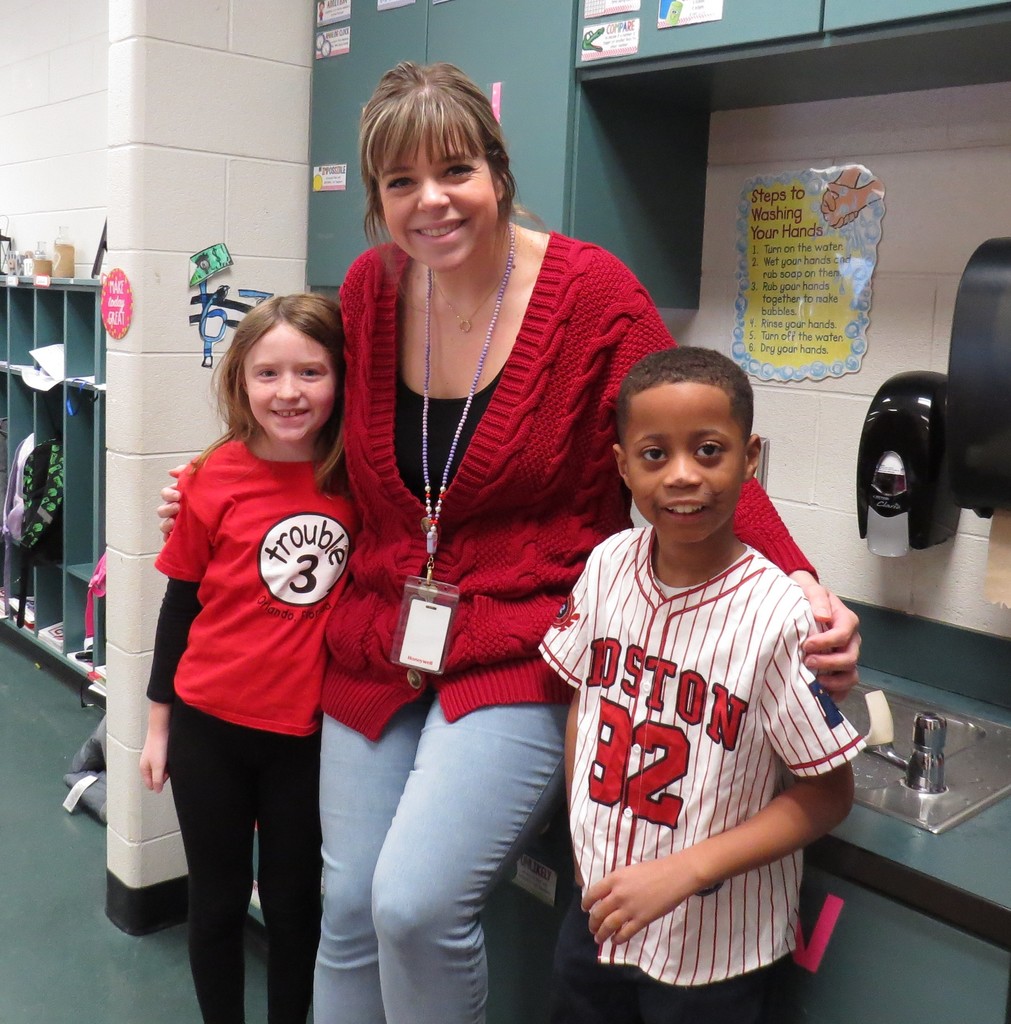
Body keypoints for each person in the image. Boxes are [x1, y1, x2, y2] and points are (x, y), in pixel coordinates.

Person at [158, 62, 861, 1024]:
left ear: (496, 171)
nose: (430, 201)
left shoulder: (591, 295)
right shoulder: (370, 290)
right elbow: (300, 415)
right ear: (376, 201)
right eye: (399, 183)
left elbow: (690, 447)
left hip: (523, 640)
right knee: (350, 909)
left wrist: (805, 586)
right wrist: (212, 487)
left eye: (453, 170)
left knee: (413, 906)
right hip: (376, 634)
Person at [540, 346, 863, 1024]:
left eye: (708, 450)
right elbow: (585, 705)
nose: (682, 476)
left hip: (714, 950)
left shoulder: (779, 615)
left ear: (749, 459)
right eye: (654, 455)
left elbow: (827, 794)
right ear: (622, 464)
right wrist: (581, 840)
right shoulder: (605, 565)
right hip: (599, 911)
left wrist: (684, 870)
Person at [140, 294, 359, 1024]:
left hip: (305, 738)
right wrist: (157, 724)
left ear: (340, 379)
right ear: (240, 381)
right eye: (267, 374)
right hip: (209, 728)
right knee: (218, 902)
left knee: (296, 907)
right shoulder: (211, 478)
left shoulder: (360, 482)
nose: (288, 392)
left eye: (310, 372)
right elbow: (180, 605)